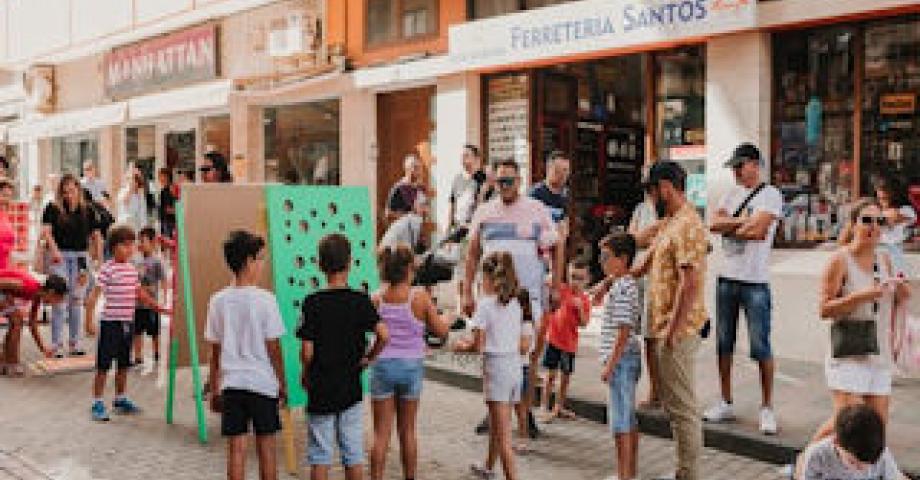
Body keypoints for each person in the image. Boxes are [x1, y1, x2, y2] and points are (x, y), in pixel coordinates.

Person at [462, 159, 560, 439]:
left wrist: (556, 283)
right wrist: (467, 291)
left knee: (526, 359)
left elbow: (557, 244)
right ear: (493, 183)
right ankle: (494, 411)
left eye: (510, 181)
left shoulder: (536, 210)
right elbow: (471, 255)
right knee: (492, 356)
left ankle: (524, 414)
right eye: (500, 181)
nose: (505, 186)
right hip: (492, 300)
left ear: (520, 181)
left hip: (526, 300)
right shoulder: (484, 212)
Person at [810, 199, 910, 444]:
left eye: (880, 221)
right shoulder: (839, 260)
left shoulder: (884, 259)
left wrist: (901, 292)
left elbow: (895, 299)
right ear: (853, 224)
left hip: (876, 352)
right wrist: (862, 296)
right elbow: (824, 310)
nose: (874, 226)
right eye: (866, 220)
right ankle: (805, 463)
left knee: (877, 427)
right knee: (844, 425)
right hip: (847, 352)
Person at [633, 161, 708, 480]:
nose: (650, 199)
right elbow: (641, 263)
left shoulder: (688, 224)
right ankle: (683, 470)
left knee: (682, 410)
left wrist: (672, 332)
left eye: (651, 191)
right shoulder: (671, 222)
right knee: (677, 409)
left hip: (677, 331)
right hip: (666, 326)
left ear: (665, 187)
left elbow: (690, 284)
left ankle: (688, 474)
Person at [706, 143, 784, 435]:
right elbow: (714, 224)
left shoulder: (771, 194)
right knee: (723, 343)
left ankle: (767, 407)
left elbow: (759, 231)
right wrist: (743, 221)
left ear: (755, 164)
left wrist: (734, 224)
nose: (736, 172)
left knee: (760, 345)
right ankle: (725, 400)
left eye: (740, 166)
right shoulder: (731, 193)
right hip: (726, 278)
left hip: (755, 282)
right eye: (733, 167)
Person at [298, 233, 389, 480]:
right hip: (350, 387)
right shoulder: (360, 300)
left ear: (319, 265)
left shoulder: (311, 303)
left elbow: (307, 352)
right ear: (350, 263)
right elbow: (384, 334)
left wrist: (306, 374)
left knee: (320, 455)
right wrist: (369, 358)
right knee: (352, 453)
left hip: (321, 389)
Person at [205, 230, 287, 480]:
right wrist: (282, 383)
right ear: (249, 261)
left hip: (232, 386)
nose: (263, 264)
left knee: (236, 451)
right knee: (267, 450)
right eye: (260, 258)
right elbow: (274, 348)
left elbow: (215, 352)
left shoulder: (217, 300)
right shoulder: (266, 300)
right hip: (262, 384)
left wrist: (214, 388)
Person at [369, 245, 449, 480]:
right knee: (408, 431)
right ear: (409, 269)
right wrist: (448, 318)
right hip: (410, 368)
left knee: (381, 435)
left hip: (383, 366)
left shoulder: (376, 298)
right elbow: (441, 331)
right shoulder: (420, 298)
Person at [454, 252, 530, 480]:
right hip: (514, 367)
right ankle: (488, 466)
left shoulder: (485, 306)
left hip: (496, 369)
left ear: (487, 277)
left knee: (505, 436)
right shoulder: (516, 302)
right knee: (499, 425)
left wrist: (461, 346)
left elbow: (478, 345)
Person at [86, 225, 168, 422]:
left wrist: (158, 307)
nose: (130, 249)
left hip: (127, 324)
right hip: (110, 324)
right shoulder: (107, 269)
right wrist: (88, 321)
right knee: (103, 365)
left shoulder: (132, 269)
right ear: (113, 247)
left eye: (132, 245)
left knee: (124, 364)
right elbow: (93, 296)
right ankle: (97, 402)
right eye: (125, 245)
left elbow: (139, 293)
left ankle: (120, 398)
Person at [41, 174, 103, 357]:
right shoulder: (52, 208)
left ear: (78, 189)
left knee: (76, 301)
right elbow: (46, 233)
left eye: (72, 190)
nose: (68, 195)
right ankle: (56, 344)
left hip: (81, 258)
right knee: (59, 300)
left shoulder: (89, 210)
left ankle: (75, 343)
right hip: (60, 257)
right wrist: (54, 251)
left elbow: (97, 237)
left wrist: (98, 260)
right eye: (65, 191)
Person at [598, 233, 642, 480]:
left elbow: (623, 331)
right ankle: (628, 473)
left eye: (606, 257)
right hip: (624, 360)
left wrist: (610, 365)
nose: (602, 262)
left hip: (621, 361)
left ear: (622, 259)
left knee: (621, 423)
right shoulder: (622, 283)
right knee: (627, 420)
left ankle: (625, 474)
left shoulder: (624, 288)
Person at [538, 259, 591, 422]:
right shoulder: (562, 290)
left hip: (569, 344)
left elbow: (584, 323)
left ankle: (559, 407)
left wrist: (580, 308)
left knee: (565, 377)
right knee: (550, 375)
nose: (576, 282)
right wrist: (549, 278)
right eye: (573, 277)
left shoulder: (584, 300)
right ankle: (543, 407)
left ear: (587, 279)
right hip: (553, 339)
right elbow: (546, 286)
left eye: (580, 278)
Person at [797, 404, 908, 480]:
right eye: (853, 463)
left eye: (870, 464)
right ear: (836, 442)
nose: (862, 470)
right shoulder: (818, 454)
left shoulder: (881, 454)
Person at [628, 183, 663, 408]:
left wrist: (642, 238)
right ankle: (654, 389)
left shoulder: (669, 211)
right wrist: (643, 238)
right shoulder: (641, 209)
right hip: (638, 277)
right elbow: (631, 240)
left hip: (657, 279)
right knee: (642, 335)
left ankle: (658, 390)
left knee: (654, 337)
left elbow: (661, 241)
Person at [0, 271, 67, 376]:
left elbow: (32, 323)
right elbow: (2, 282)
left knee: (16, 320)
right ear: (51, 292)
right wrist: (8, 298)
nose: (54, 303)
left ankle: (4, 361)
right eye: (57, 299)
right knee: (17, 320)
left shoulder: (37, 295)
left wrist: (43, 349)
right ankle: (12, 363)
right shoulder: (30, 286)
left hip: (3, 291)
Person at [132, 227, 165, 366]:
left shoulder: (156, 261)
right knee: (137, 331)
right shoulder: (135, 260)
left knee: (154, 331)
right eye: (139, 240)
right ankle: (138, 356)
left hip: (151, 303)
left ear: (152, 243)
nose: (140, 243)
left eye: (143, 241)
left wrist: (161, 298)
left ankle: (157, 353)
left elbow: (163, 281)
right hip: (137, 304)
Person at [874, 175, 917, 277]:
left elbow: (895, 217)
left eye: (884, 197)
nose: (881, 200)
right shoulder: (876, 210)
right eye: (879, 197)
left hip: (896, 250)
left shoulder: (905, 210)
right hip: (879, 249)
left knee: (897, 280)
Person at [448, 144, 486, 237]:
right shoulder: (457, 178)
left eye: (466, 155)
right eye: (462, 156)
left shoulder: (483, 179)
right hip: (458, 227)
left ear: (476, 159)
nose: (463, 159)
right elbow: (452, 203)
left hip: (474, 228)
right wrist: (449, 226)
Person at [385, 154, 426, 224]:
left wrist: (424, 211)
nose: (419, 171)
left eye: (420, 168)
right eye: (416, 168)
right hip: (401, 232)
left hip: (415, 231)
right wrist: (409, 216)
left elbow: (422, 210)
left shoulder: (420, 188)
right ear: (407, 170)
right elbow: (388, 215)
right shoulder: (398, 188)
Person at [0, 178, 19, 270]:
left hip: (6, 266)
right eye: (4, 195)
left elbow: (9, 250)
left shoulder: (5, 216)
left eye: (9, 196)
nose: (7, 200)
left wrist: (12, 267)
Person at [157, 168, 177, 239]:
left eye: (161, 176)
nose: (159, 178)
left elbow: (171, 208)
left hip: (169, 222)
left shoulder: (171, 189)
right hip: (165, 221)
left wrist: (169, 210)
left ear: (167, 177)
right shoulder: (163, 190)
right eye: (159, 176)